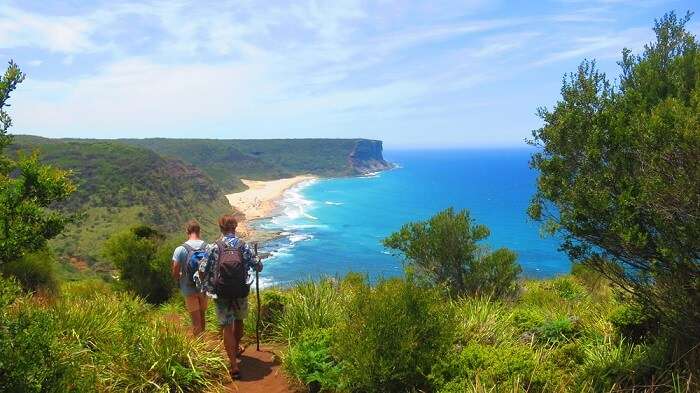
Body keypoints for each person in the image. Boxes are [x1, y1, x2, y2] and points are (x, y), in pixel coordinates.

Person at [197, 214, 262, 380]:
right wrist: (258, 262)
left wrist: (202, 285)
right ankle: (237, 346)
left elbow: (203, 270)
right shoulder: (243, 245)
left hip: (221, 292)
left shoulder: (214, 247)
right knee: (239, 320)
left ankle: (233, 365)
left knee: (226, 325)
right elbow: (258, 266)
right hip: (240, 290)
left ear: (220, 228)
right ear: (235, 228)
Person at [171, 219, 208, 335]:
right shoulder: (207, 246)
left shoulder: (180, 249)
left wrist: (180, 277)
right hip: (204, 288)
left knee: (195, 321)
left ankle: (199, 348)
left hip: (188, 288)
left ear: (187, 231)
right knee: (202, 317)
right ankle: (204, 346)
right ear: (199, 231)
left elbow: (175, 271)